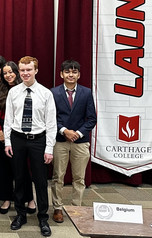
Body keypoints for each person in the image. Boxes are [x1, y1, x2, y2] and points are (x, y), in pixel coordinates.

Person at [4, 56, 56, 237]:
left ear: (36, 71)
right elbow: (8, 120)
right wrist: (8, 142)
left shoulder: (45, 93)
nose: (25, 73)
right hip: (18, 138)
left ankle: (43, 217)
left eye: (29, 70)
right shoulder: (14, 92)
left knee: (40, 181)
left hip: (38, 140)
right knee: (19, 178)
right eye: (22, 70)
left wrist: (49, 148)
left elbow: (51, 124)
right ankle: (20, 214)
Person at [50, 60, 97, 223]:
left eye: (74, 72)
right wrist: (64, 131)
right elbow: (50, 118)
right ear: (61, 74)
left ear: (79, 75)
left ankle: (76, 208)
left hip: (80, 141)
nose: (71, 75)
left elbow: (91, 119)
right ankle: (58, 208)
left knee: (79, 178)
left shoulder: (86, 92)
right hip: (60, 140)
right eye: (68, 72)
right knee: (58, 176)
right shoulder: (53, 93)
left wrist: (77, 133)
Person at [0, 61, 35, 214]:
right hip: (1, 129)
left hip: (19, 131)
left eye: (11, 72)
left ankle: (29, 198)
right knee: (3, 168)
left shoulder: (24, 88)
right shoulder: (0, 89)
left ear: (16, 72)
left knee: (21, 168)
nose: (8, 75)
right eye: (5, 73)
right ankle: (6, 198)